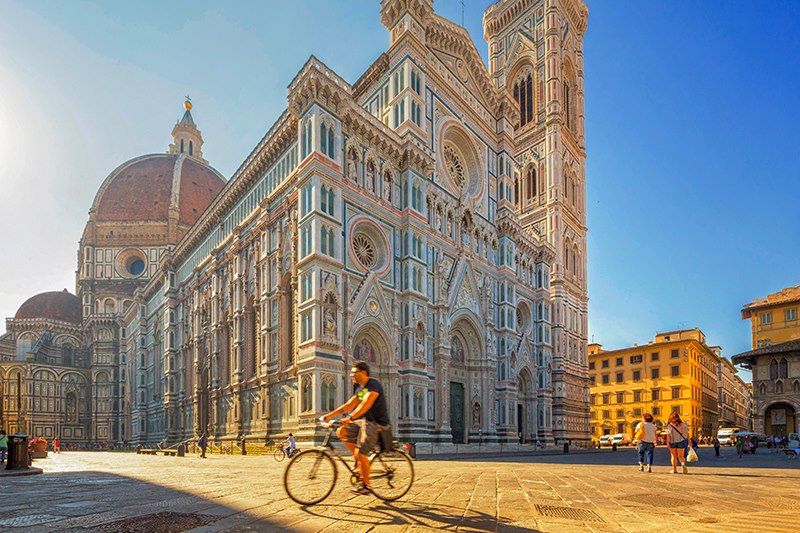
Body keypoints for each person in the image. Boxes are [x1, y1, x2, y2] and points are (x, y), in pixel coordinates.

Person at [323, 361, 391, 495]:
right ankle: (359, 462)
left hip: (377, 423)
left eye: (354, 372)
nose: (351, 375)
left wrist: (351, 418)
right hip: (365, 422)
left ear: (363, 373)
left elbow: (366, 403)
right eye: (351, 372)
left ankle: (367, 485)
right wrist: (328, 416)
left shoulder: (373, 385)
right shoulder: (361, 388)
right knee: (341, 431)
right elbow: (351, 404)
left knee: (361, 452)